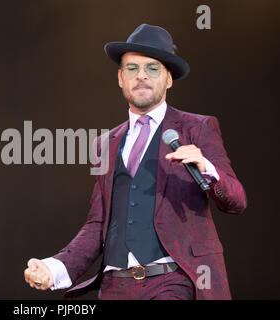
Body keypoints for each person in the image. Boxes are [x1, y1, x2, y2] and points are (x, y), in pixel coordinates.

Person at [23, 24, 247, 300]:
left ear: (168, 79)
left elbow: (237, 201)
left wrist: (207, 169)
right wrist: (54, 267)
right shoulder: (105, 144)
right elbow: (97, 225)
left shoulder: (197, 128)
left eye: (152, 68)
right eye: (132, 68)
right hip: (116, 286)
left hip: (172, 281)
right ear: (120, 78)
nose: (141, 76)